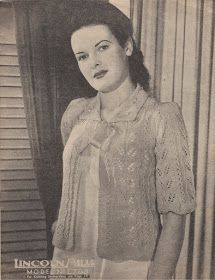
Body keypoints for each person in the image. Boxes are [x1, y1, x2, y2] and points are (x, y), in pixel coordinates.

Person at [51, 2, 196, 279]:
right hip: (71, 260)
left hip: (130, 265)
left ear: (127, 46)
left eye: (103, 47)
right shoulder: (75, 114)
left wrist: (160, 274)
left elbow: (176, 213)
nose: (93, 62)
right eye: (82, 56)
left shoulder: (161, 117)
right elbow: (71, 187)